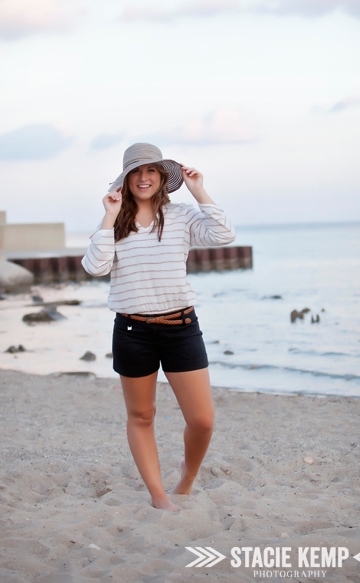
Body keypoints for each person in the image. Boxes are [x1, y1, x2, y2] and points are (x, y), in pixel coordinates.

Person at [81, 142, 235, 512]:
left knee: (202, 420)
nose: (144, 178)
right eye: (136, 171)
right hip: (133, 333)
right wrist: (109, 215)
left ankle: (186, 478)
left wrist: (199, 190)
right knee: (142, 415)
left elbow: (223, 235)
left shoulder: (182, 216)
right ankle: (158, 495)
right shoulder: (115, 223)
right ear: (126, 180)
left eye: (151, 170)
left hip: (181, 327)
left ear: (163, 177)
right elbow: (94, 267)